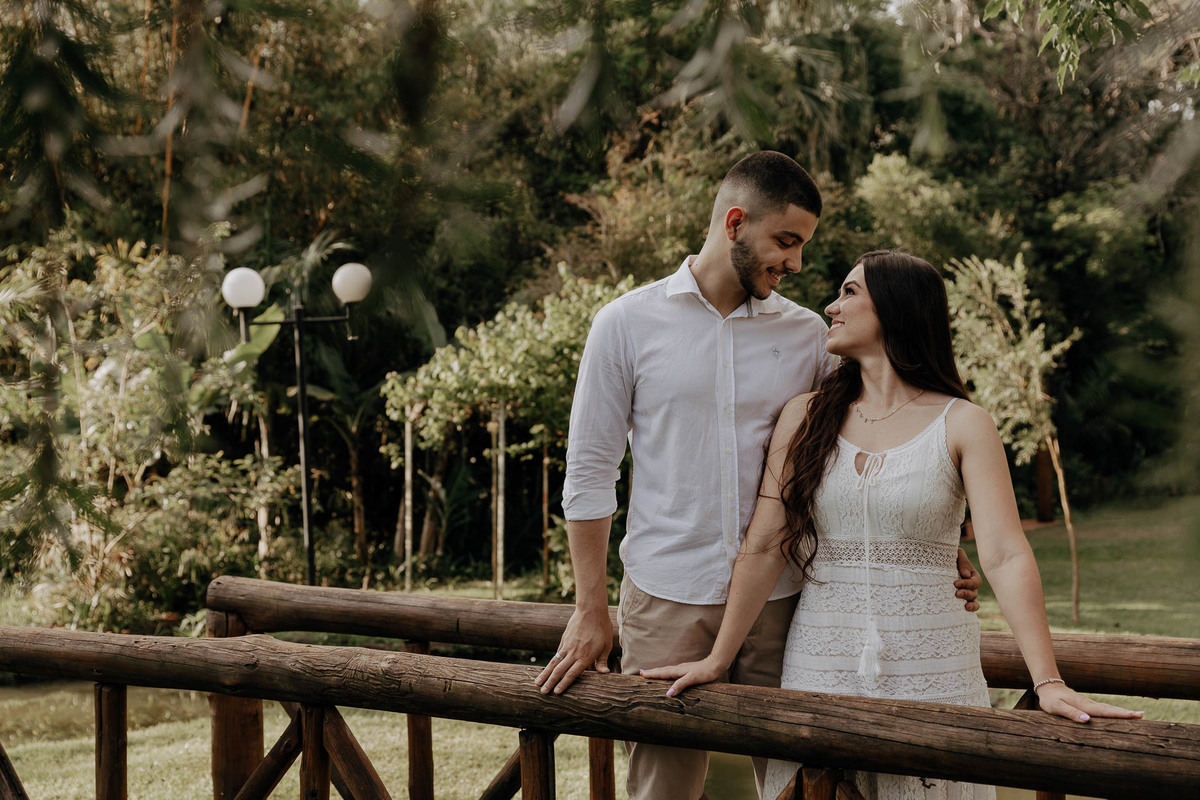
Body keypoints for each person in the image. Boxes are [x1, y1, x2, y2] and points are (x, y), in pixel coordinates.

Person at [534, 152, 983, 800]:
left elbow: (872, 438)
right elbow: (590, 473)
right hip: (666, 596)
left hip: (786, 601)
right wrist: (589, 608)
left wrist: (940, 542)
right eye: (787, 242)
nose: (796, 263)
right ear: (736, 223)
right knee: (663, 789)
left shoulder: (809, 337)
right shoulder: (624, 324)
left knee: (797, 786)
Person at [641, 250, 1144, 799]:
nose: (831, 306)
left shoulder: (965, 423)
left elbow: (1005, 555)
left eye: (850, 292)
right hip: (820, 666)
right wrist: (719, 657)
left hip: (935, 667)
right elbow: (765, 545)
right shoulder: (804, 416)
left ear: (898, 308)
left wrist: (1047, 682)